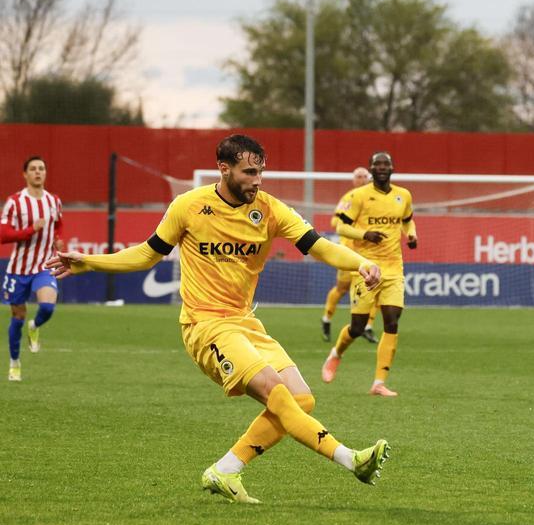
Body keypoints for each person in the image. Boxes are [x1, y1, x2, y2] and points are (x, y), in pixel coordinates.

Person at [47, 134, 391, 504]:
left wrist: (361, 263)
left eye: (260, 172)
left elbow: (318, 245)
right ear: (223, 168)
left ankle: (226, 470)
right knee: (276, 393)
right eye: (248, 172)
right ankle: (351, 460)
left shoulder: (270, 209)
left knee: (301, 400)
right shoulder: (189, 206)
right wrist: (89, 262)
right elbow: (147, 255)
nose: (256, 180)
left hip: (245, 323)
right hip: (205, 324)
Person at [321, 151, 416, 397]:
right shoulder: (358, 196)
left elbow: (407, 220)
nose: (382, 168)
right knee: (358, 326)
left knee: (392, 321)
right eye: (377, 165)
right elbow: (341, 226)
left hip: (394, 267)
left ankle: (379, 383)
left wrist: (411, 234)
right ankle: (336, 353)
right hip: (365, 267)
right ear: (371, 169)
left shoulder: (403, 195)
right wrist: (366, 235)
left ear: (392, 168)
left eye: (386, 164)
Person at [3, 156, 65, 382]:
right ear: (25, 174)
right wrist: (30, 229)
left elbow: (58, 224)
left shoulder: (54, 201)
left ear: (45, 173)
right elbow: (3, 235)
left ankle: (35, 325)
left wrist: (58, 240)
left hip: (44, 266)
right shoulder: (15, 202)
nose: (38, 172)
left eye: (41, 168)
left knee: (47, 307)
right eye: (33, 169)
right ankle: (15, 363)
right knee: (17, 317)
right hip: (18, 269)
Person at [320, 166, 378, 344]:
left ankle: (368, 326)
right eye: (358, 176)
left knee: (374, 287)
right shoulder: (349, 198)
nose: (361, 179)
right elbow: (335, 221)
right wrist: (354, 225)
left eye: (364, 176)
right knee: (342, 289)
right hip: (349, 252)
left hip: (369, 251)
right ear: (353, 180)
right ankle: (327, 319)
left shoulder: (374, 199)